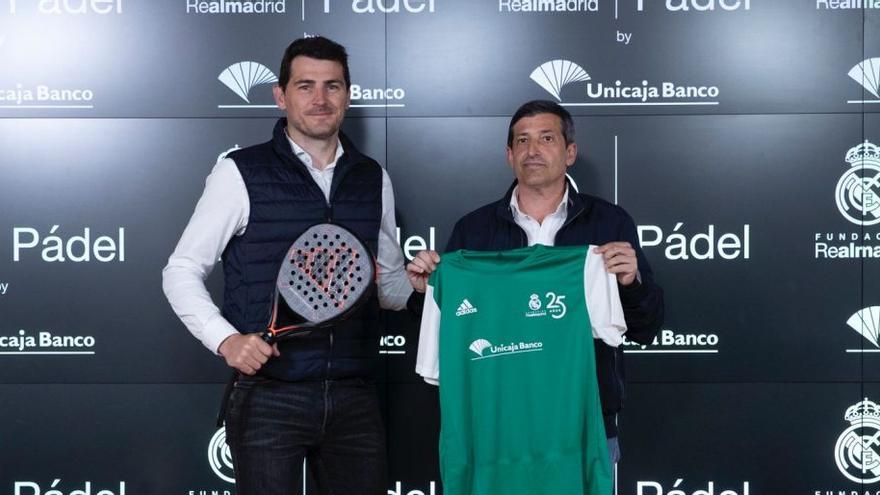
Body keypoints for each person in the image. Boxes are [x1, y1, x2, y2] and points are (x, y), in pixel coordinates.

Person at [162, 36, 412, 495]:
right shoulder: (239, 172)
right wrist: (227, 340)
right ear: (281, 96)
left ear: (348, 95)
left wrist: (413, 279)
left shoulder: (374, 177)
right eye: (305, 86)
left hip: (354, 393)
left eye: (332, 86)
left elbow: (388, 291)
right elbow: (180, 270)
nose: (320, 99)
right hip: (269, 396)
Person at [406, 99, 664, 466]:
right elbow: (455, 324)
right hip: (494, 423)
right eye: (522, 141)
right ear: (509, 155)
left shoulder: (609, 223)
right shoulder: (474, 229)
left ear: (569, 152)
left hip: (583, 423)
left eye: (546, 138)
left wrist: (631, 283)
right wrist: (425, 294)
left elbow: (646, 327)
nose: (533, 150)